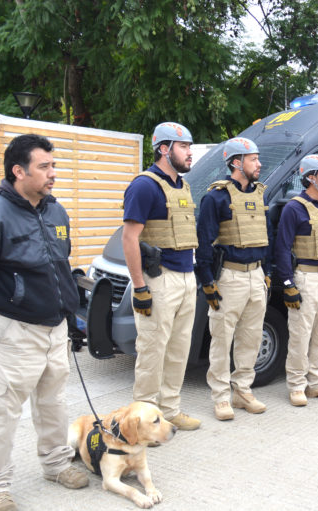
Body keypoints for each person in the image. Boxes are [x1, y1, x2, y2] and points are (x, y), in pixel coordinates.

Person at [0, 134, 89, 511]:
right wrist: (4, 310)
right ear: (19, 171)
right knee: (2, 410)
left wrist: (70, 314)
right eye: (44, 166)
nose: (53, 173)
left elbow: (62, 265)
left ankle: (55, 464)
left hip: (55, 329)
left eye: (54, 165)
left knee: (53, 402)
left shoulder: (56, 211)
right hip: (15, 330)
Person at [122, 122, 200, 431]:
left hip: (185, 276)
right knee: (153, 350)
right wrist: (140, 286)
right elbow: (130, 239)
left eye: (189, 147)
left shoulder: (183, 185)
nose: (189, 153)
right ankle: (143, 419)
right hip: (159, 278)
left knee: (179, 348)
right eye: (184, 147)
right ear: (164, 149)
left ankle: (170, 409)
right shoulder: (144, 185)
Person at [196, 137, 272, 420]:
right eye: (254, 159)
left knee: (251, 338)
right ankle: (220, 397)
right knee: (221, 340)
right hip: (229, 276)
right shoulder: (215, 197)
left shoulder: (259, 194)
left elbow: (268, 236)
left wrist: (269, 272)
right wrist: (207, 282)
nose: (259, 164)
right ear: (236, 162)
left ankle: (243, 391)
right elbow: (203, 242)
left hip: (256, 275)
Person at [275, 154, 318, 406]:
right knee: (300, 334)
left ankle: (316, 383)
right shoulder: (294, 208)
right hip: (305, 277)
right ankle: (296, 385)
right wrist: (287, 284)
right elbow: (282, 248)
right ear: (311, 178)